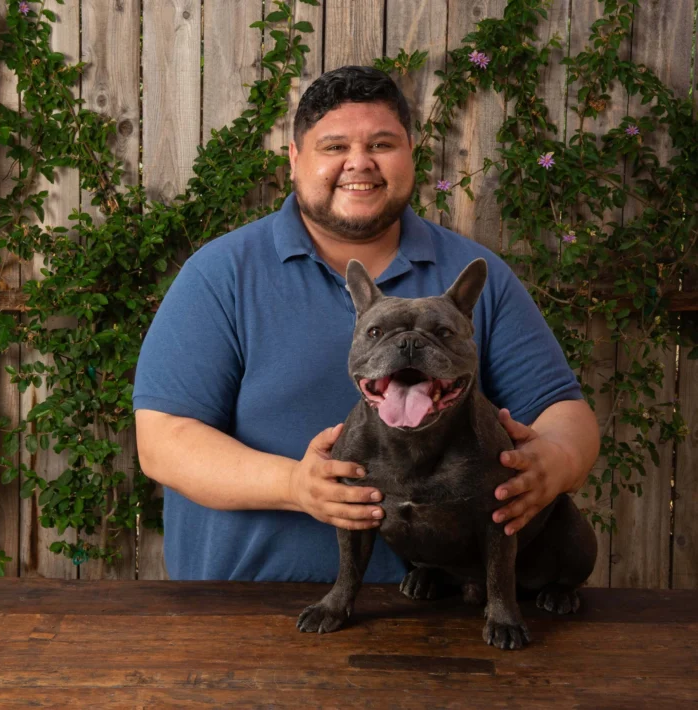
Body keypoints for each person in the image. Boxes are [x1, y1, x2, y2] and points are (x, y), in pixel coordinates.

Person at [133, 66, 600, 582]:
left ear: (411, 154)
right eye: (334, 147)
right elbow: (163, 441)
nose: (360, 163)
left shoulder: (473, 275)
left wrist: (555, 462)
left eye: (382, 144)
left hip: (441, 612)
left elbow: (563, 410)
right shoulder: (222, 275)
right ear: (294, 159)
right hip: (246, 605)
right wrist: (294, 485)